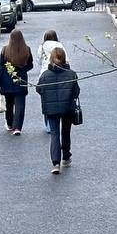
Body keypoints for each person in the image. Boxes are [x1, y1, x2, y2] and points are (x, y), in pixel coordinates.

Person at [36, 46, 80, 174]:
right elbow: (76, 92)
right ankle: (65, 157)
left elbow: (39, 89)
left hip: (51, 109)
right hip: (67, 109)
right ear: (64, 59)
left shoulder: (45, 75)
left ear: (51, 59)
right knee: (66, 132)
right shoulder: (71, 74)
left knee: (55, 134)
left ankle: (55, 163)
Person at [0, 29, 34, 135]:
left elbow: (1, 67)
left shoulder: (5, 50)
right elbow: (30, 65)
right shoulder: (27, 49)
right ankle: (17, 127)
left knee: (9, 104)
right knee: (20, 104)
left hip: (7, 80)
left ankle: (10, 124)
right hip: (21, 80)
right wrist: (23, 69)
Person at [35, 29, 60, 133]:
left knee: (46, 100)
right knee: (57, 98)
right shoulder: (59, 45)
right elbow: (66, 59)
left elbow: (39, 61)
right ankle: (57, 120)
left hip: (44, 74)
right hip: (58, 74)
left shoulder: (42, 47)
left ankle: (48, 124)